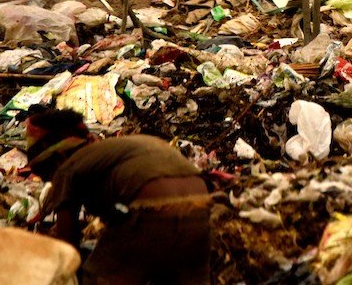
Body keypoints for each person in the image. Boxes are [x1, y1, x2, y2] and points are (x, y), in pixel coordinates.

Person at [24, 107, 213, 285]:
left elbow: (67, 248)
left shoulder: (67, 168)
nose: (48, 181)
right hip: (202, 211)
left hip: (153, 211)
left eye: (45, 173)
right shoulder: (121, 147)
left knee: (98, 278)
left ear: (58, 157)